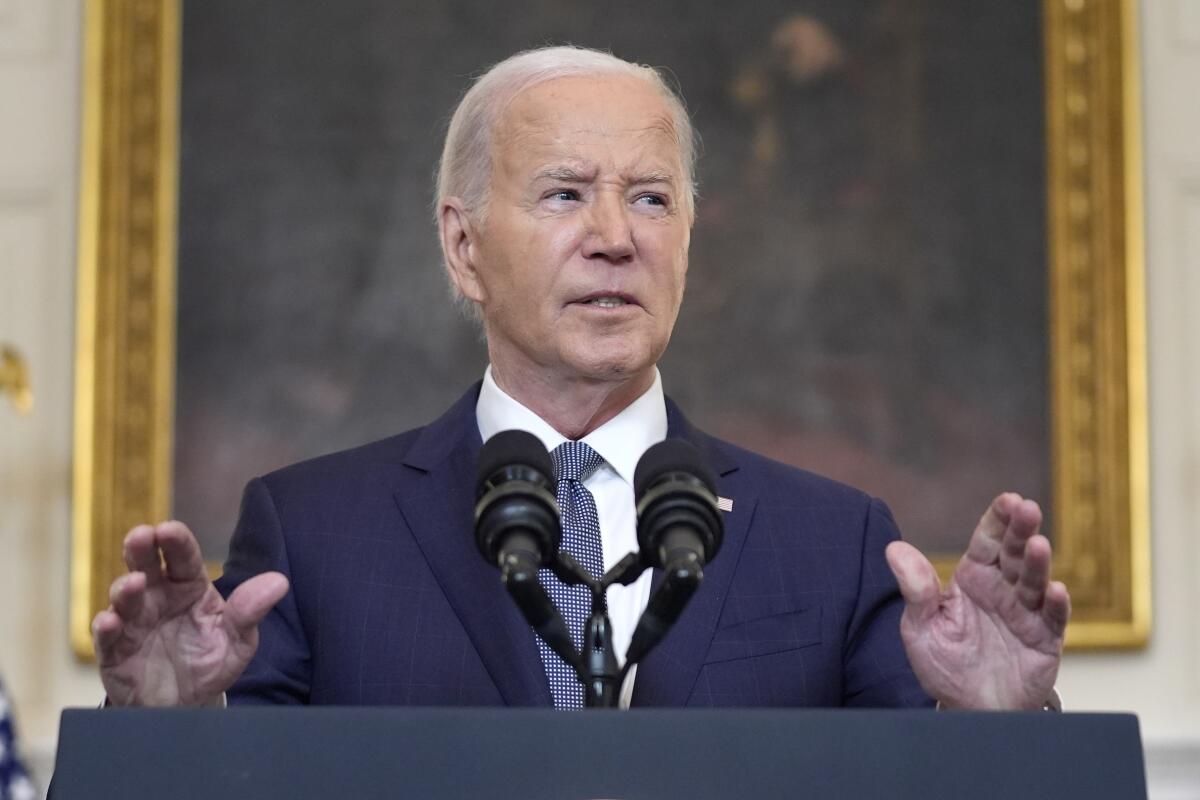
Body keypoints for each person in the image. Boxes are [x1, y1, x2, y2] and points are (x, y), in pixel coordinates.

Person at [92, 46, 1069, 711]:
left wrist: (991, 727)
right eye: (565, 194)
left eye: (650, 198)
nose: (614, 237)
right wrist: (172, 728)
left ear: (687, 239)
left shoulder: (836, 539)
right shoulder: (311, 535)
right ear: (463, 245)